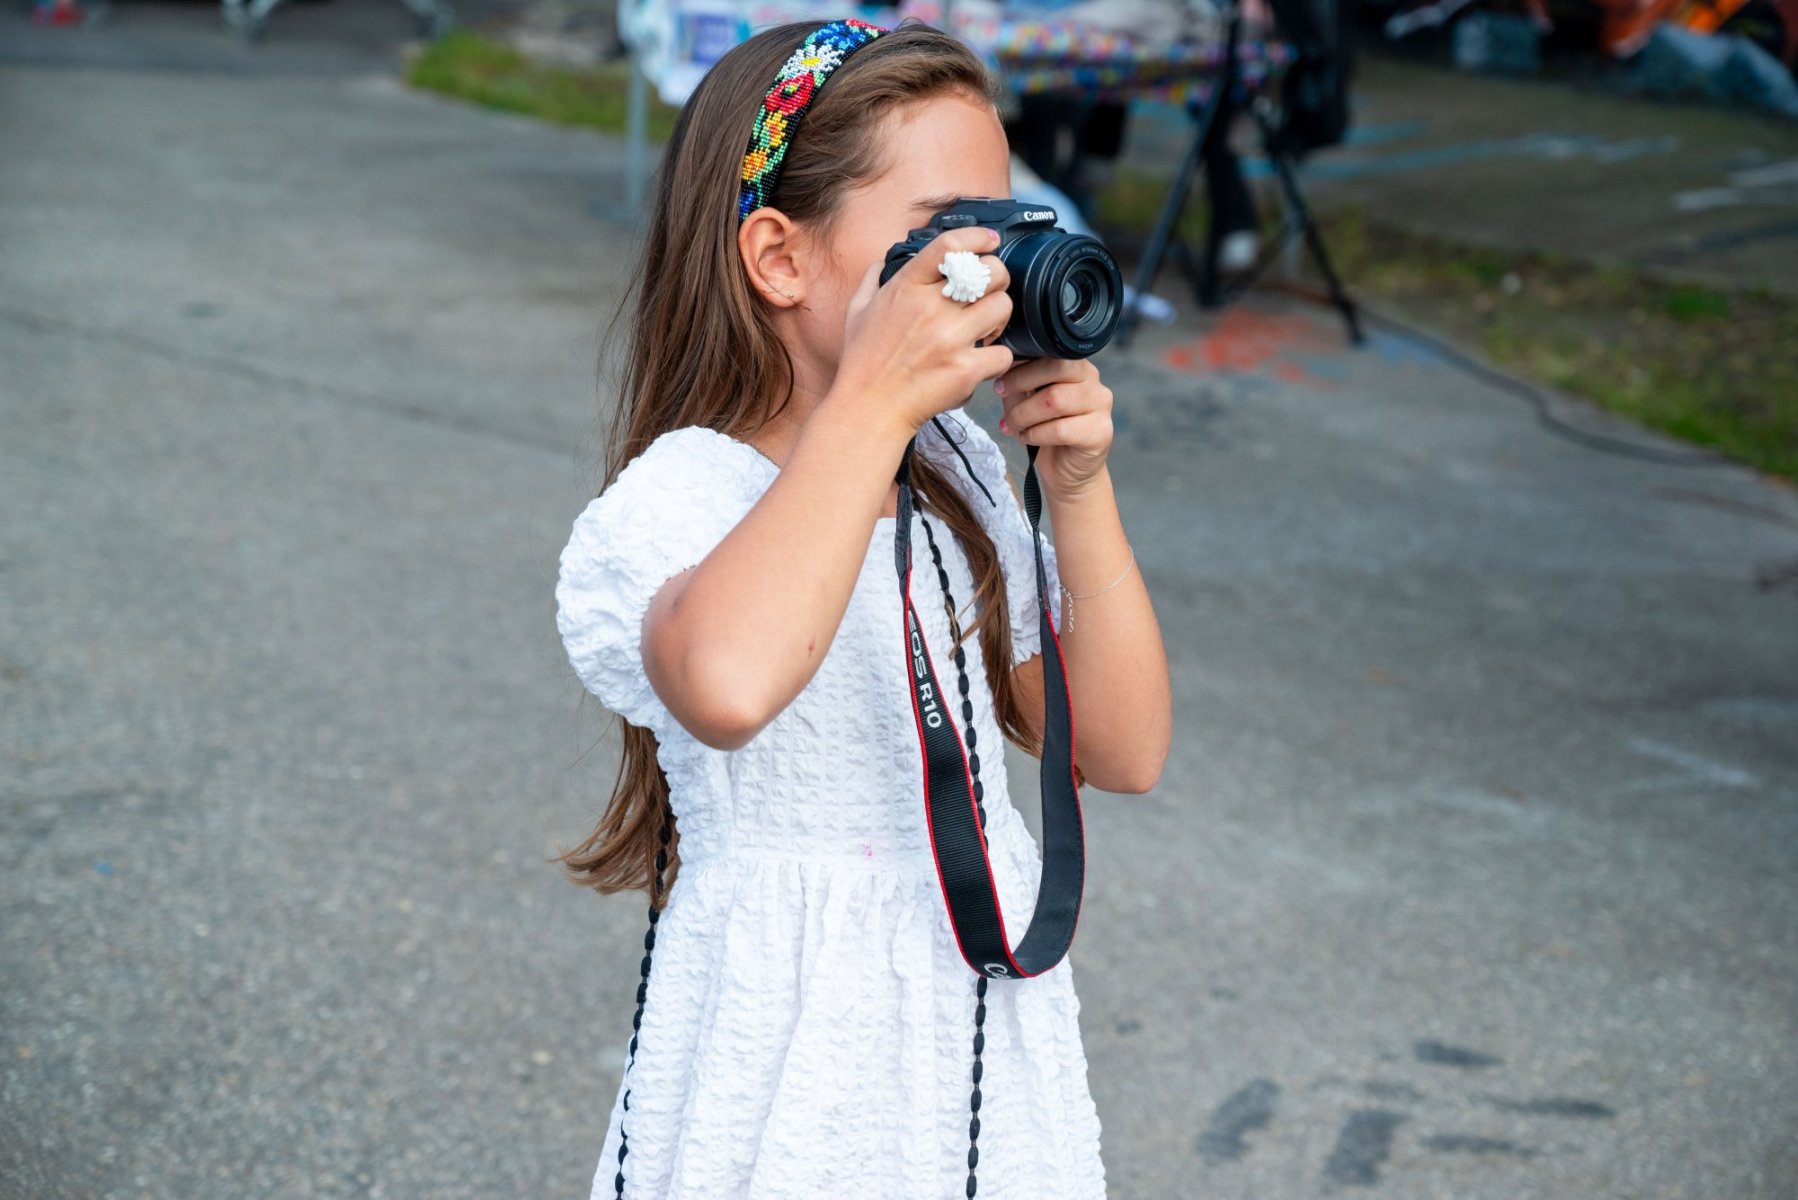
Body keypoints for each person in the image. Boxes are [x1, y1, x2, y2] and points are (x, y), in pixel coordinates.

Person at [552, 17, 1172, 1198]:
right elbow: (727, 686)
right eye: (946, 235)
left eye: (1004, 224)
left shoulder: (956, 474)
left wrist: (1073, 489)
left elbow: (1125, 748)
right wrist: (873, 410)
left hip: (973, 1021)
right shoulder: (684, 497)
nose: (988, 271)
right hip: (782, 1036)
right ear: (779, 259)